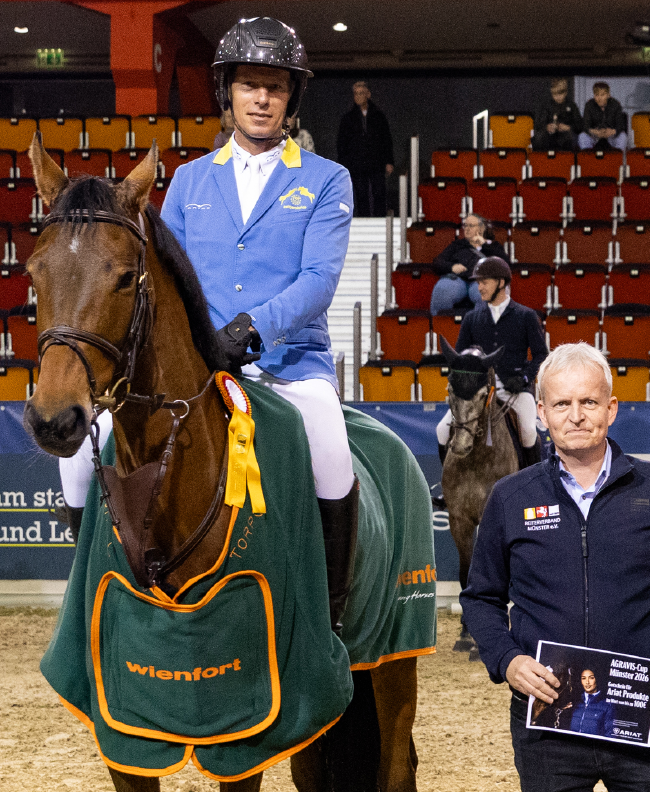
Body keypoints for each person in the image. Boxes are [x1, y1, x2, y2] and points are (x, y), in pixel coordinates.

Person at [460, 342, 650, 792]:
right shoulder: (511, 497)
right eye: (562, 404)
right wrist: (506, 659)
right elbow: (480, 598)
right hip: (547, 720)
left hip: (642, 719)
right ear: (542, 413)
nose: (575, 415)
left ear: (611, 409)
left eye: (588, 402)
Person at [159, 17, 359, 632]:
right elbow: (167, 272)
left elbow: (319, 280)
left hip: (289, 361)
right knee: (108, 442)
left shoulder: (327, 179)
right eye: (250, 85)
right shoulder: (190, 179)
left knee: (331, 449)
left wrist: (250, 328)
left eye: (275, 86)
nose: (262, 98)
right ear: (229, 93)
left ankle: (331, 605)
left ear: (291, 96)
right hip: (201, 364)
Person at [434, 258, 548, 466]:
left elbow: (542, 355)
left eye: (484, 282)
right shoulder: (472, 318)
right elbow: (460, 358)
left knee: (529, 432)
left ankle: (534, 486)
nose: (479, 287)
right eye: (478, 283)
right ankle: (448, 485)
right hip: (478, 393)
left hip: (514, 390)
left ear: (502, 283)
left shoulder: (526, 316)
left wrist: (524, 378)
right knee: (442, 430)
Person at [336, 79, 394, 217]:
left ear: (368, 94)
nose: (358, 96)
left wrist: (389, 161)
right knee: (361, 193)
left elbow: (386, 139)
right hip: (357, 163)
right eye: (356, 93)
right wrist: (344, 163)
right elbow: (342, 143)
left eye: (361, 93)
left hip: (376, 161)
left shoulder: (378, 116)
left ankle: (380, 218)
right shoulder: (348, 119)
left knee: (379, 192)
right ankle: (364, 219)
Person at [429, 213, 508, 314]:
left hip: (481, 280)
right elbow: (437, 262)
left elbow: (505, 264)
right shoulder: (457, 245)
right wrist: (452, 267)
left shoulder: (492, 246)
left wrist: (484, 245)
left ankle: (483, 328)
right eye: (465, 225)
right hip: (456, 279)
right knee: (442, 290)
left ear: (481, 228)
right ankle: (440, 327)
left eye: (471, 226)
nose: (466, 228)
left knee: (485, 293)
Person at [534, 78, 583, 151]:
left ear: (566, 93)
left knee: (570, 137)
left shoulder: (572, 105)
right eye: (555, 94)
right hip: (550, 135)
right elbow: (538, 124)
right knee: (540, 137)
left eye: (560, 94)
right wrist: (547, 127)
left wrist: (568, 127)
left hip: (566, 136)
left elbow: (579, 125)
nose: (558, 97)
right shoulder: (547, 106)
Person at [577, 82, 628, 151]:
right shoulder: (589, 105)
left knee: (623, 137)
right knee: (582, 136)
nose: (599, 98)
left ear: (608, 95)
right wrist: (595, 132)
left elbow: (620, 125)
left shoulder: (615, 104)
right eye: (597, 95)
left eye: (602, 95)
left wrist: (612, 131)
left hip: (610, 135)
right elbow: (585, 125)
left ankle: (617, 160)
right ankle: (588, 160)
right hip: (595, 135)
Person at [568, 668, 616, 737]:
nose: (587, 682)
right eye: (583, 678)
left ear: (597, 679)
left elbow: (610, 734)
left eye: (591, 678)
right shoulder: (575, 700)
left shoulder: (607, 705)